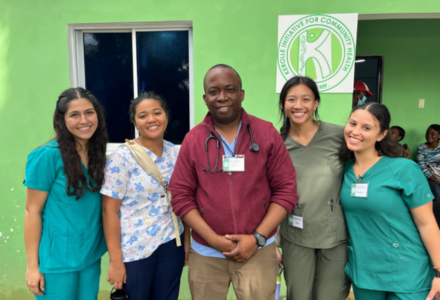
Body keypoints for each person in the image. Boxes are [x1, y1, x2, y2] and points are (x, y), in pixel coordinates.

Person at [169, 64, 298, 300]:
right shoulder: (193, 139)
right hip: (206, 254)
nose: (222, 97)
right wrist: (213, 240)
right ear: (205, 98)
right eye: (214, 91)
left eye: (230, 89)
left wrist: (257, 238)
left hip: (257, 252)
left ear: (241, 94)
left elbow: (286, 192)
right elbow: (180, 196)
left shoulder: (266, 133)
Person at [340, 103, 440, 300]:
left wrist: (439, 271)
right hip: (365, 272)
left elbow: (427, 223)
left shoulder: (404, 169)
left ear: (381, 135)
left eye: (366, 127)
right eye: (353, 123)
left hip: (408, 273)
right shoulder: (346, 170)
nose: (356, 131)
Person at [101, 92, 189, 300]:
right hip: (135, 248)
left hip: (171, 242)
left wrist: (186, 243)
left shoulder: (175, 153)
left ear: (166, 116)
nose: (151, 119)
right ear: (134, 122)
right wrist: (115, 261)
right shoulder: (122, 158)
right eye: (143, 115)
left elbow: (183, 200)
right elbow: (109, 211)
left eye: (157, 113)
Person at [24, 87, 108, 299]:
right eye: (74, 115)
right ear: (62, 119)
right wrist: (33, 267)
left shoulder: (98, 155)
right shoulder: (46, 157)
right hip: (56, 260)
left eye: (89, 112)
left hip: (90, 255)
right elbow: (31, 211)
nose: (84, 120)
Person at [277, 76, 350, 300]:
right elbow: (268, 193)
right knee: (298, 295)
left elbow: (367, 165)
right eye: (291, 99)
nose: (298, 106)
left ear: (316, 103)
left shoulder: (340, 136)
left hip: (335, 236)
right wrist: (271, 243)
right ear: (282, 104)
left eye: (306, 99)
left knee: (330, 296)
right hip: (295, 234)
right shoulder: (277, 143)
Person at [417, 124, 440, 203]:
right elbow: (422, 168)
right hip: (430, 177)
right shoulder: (421, 148)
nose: (429, 135)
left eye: (432, 133)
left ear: (439, 136)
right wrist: (438, 182)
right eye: (427, 133)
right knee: (437, 190)